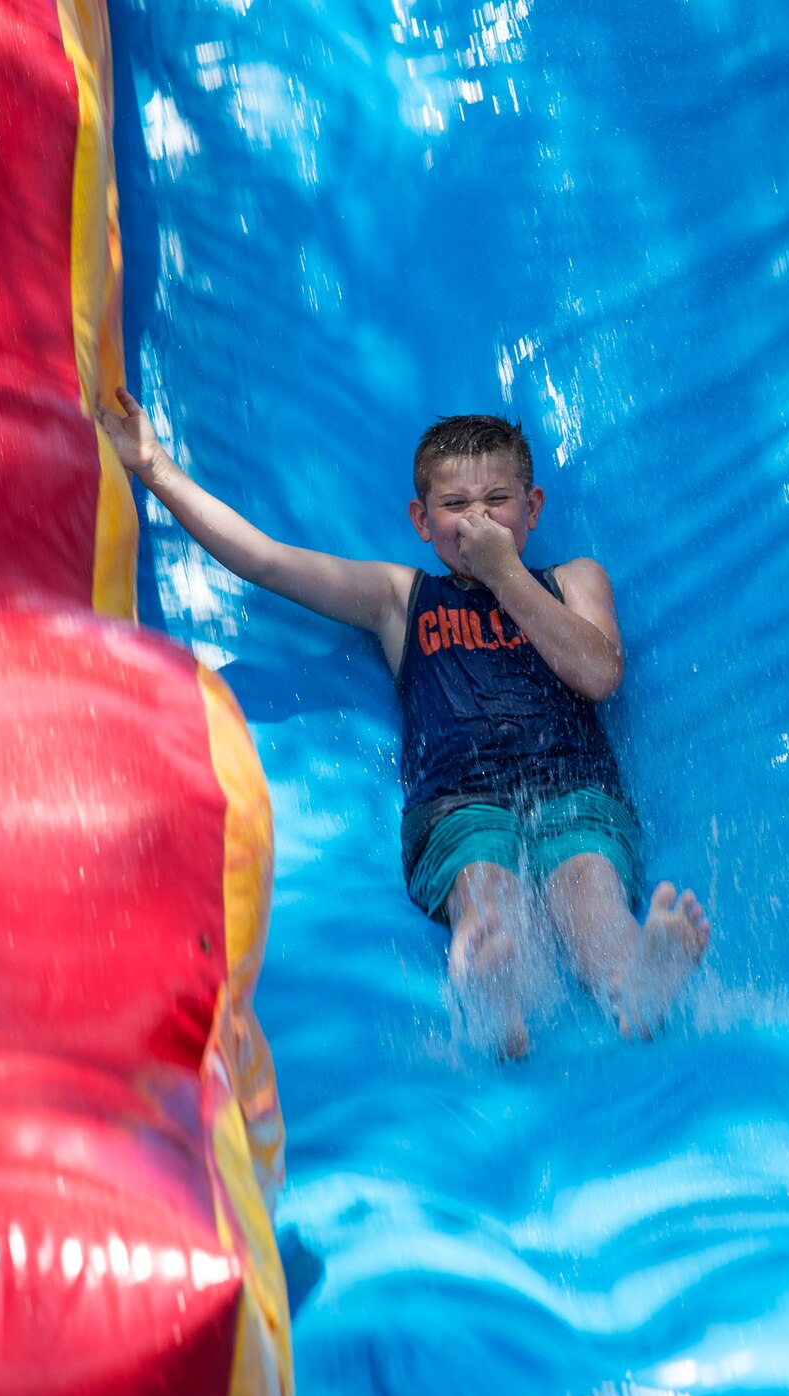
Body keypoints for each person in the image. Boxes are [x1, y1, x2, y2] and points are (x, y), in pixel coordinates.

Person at [98, 391, 709, 1057]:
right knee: (484, 889)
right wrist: (154, 466)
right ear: (422, 519)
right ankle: (488, 986)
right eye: (455, 506)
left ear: (532, 509)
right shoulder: (400, 596)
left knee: (588, 885)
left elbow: (599, 672)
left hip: (575, 786)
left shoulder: (574, 578)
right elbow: (267, 561)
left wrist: (506, 574)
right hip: (459, 801)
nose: (477, 518)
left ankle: (632, 982)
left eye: (497, 501)